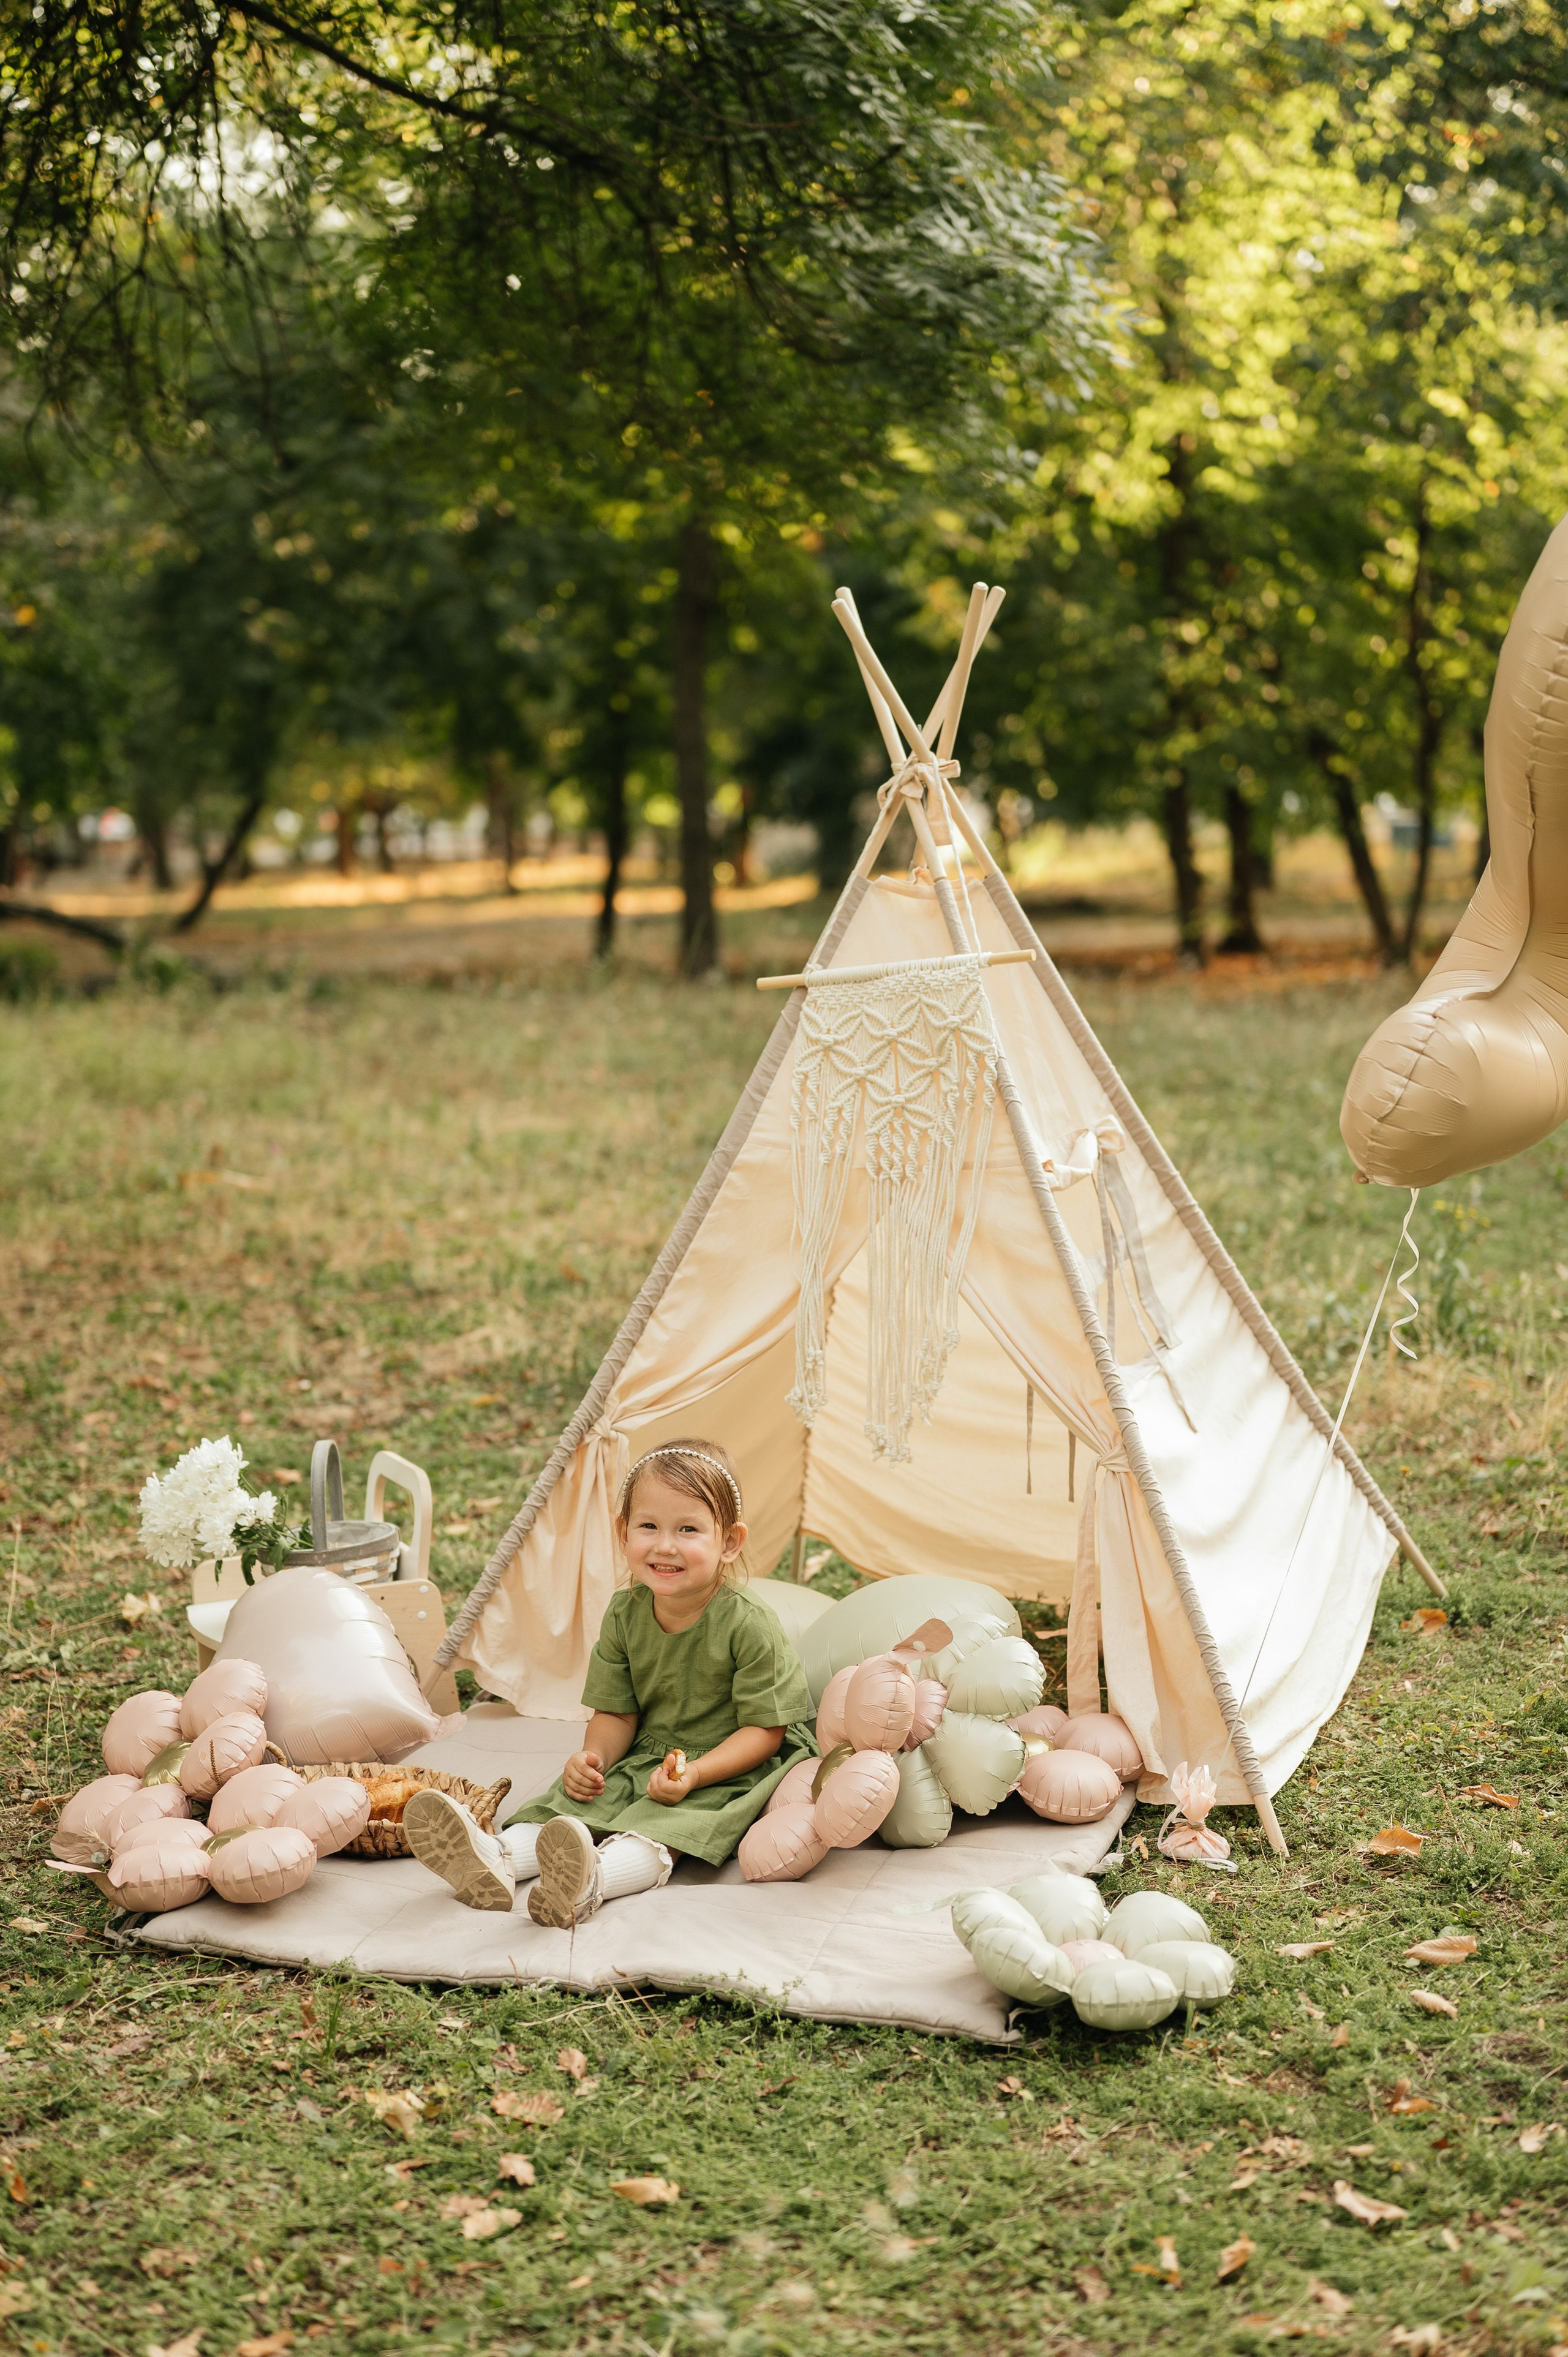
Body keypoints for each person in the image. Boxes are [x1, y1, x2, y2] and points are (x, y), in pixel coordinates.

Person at [404, 1438, 816, 1925]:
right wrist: (594, 1758)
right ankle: (498, 1858)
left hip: (733, 1758)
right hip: (653, 1749)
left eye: (689, 1529)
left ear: (728, 1542)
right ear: (624, 1534)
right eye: (648, 1526)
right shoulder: (625, 1613)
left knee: (667, 1821)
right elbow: (617, 1711)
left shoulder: (748, 1624)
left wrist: (699, 1775)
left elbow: (765, 1732)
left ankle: (593, 1879)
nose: (665, 1545)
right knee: (579, 1796)